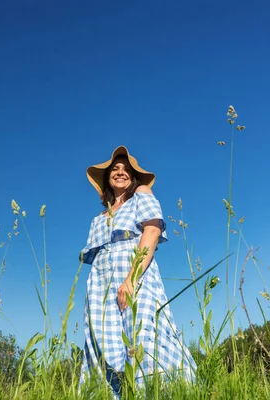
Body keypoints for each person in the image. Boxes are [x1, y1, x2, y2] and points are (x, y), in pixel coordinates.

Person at [78, 145, 196, 397]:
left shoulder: (142, 194)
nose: (120, 172)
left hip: (135, 272)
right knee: (102, 341)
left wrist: (130, 279)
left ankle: (159, 392)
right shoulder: (100, 217)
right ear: (108, 177)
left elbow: (152, 232)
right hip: (100, 282)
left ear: (133, 177)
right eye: (115, 169)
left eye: (126, 170)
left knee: (142, 333)